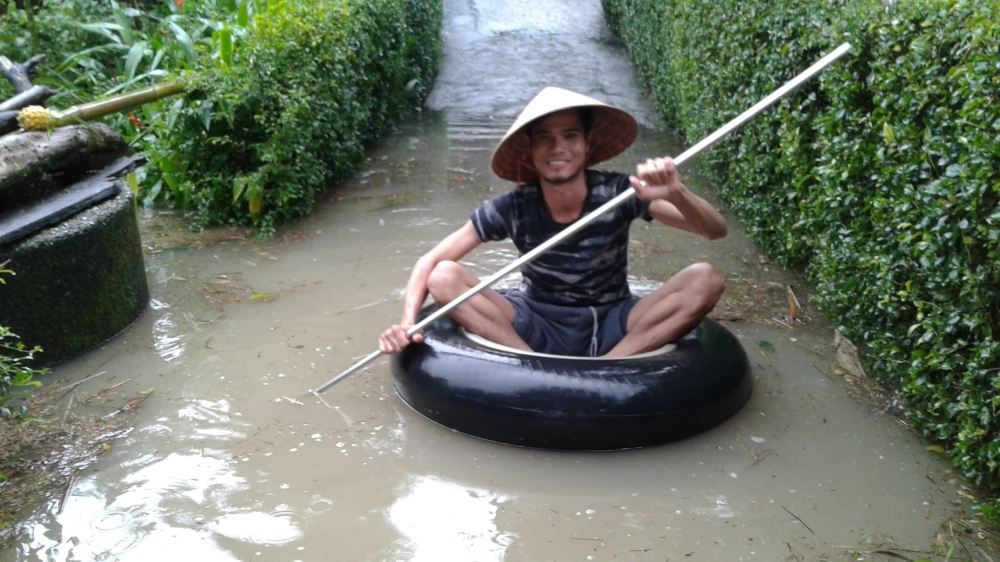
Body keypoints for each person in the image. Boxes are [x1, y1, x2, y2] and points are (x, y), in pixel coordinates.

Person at [378, 86, 726, 358]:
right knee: (444, 276)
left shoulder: (621, 192)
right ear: (530, 150)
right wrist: (407, 324)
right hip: (536, 319)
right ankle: (529, 363)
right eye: (544, 137)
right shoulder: (512, 207)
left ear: (587, 146)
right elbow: (430, 263)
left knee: (704, 279)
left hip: (613, 318)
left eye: (570, 135)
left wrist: (677, 192)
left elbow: (714, 230)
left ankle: (610, 368)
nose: (558, 147)